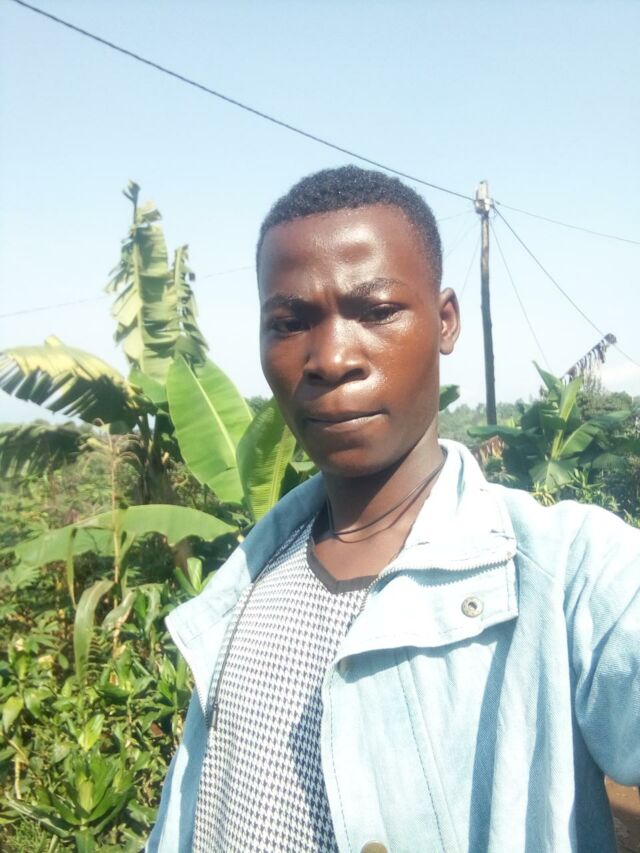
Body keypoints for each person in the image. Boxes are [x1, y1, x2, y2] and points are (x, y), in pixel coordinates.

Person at [147, 166, 640, 853]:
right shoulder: (243, 587)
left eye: (375, 311)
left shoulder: (567, 573)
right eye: (289, 323)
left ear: (445, 322)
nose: (330, 358)